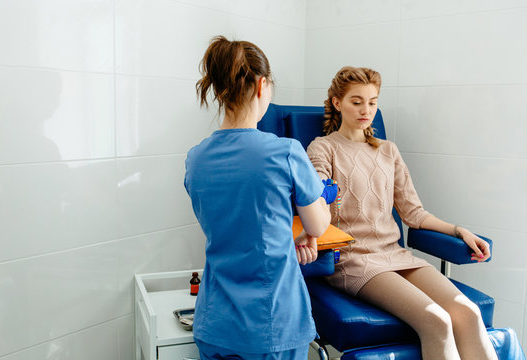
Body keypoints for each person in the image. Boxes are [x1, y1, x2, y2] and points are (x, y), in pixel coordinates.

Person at [306, 66, 498, 360]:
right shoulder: (323, 148)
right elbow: (316, 200)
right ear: (337, 103)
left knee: (468, 313)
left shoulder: (388, 151)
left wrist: (459, 230)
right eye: (356, 102)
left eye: (372, 102)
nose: (365, 110)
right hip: (355, 259)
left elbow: (414, 213)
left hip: (395, 254)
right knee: (437, 320)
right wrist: (321, 194)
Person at [184, 36, 335, 360]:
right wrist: (310, 224)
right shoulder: (285, 152)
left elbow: (237, 227)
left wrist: (286, 237)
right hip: (271, 326)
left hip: (215, 324)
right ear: (261, 85)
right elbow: (320, 225)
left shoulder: (196, 159)